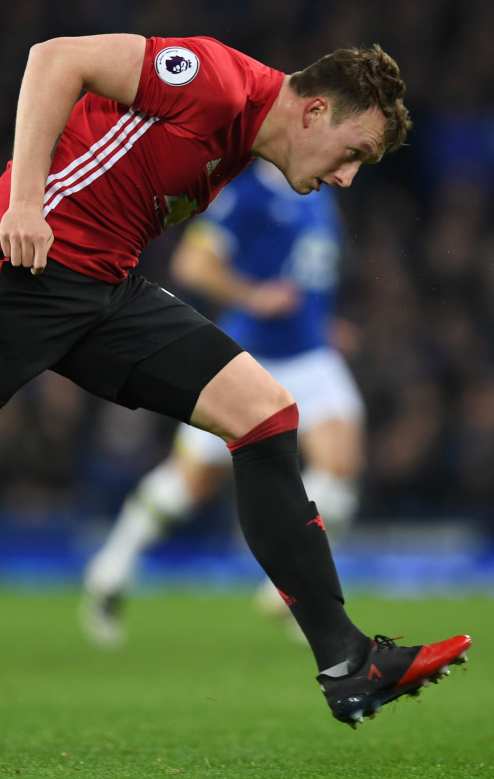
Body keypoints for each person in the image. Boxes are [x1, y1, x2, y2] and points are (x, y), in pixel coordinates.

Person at [0, 33, 469, 728]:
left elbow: (81, 152)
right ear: (313, 113)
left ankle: (348, 662)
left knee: (264, 411)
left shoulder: (243, 140)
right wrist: (12, 213)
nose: (347, 178)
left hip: (104, 287)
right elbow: (54, 59)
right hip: (24, 276)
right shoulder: (215, 81)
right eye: (352, 155)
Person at [81, 158, 365, 648]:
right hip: (249, 363)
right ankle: (110, 572)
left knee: (340, 471)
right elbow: (191, 264)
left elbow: (303, 271)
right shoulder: (248, 195)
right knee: (190, 484)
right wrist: (252, 296)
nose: (349, 165)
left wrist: (320, 322)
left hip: (311, 358)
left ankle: (295, 592)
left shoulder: (321, 190)